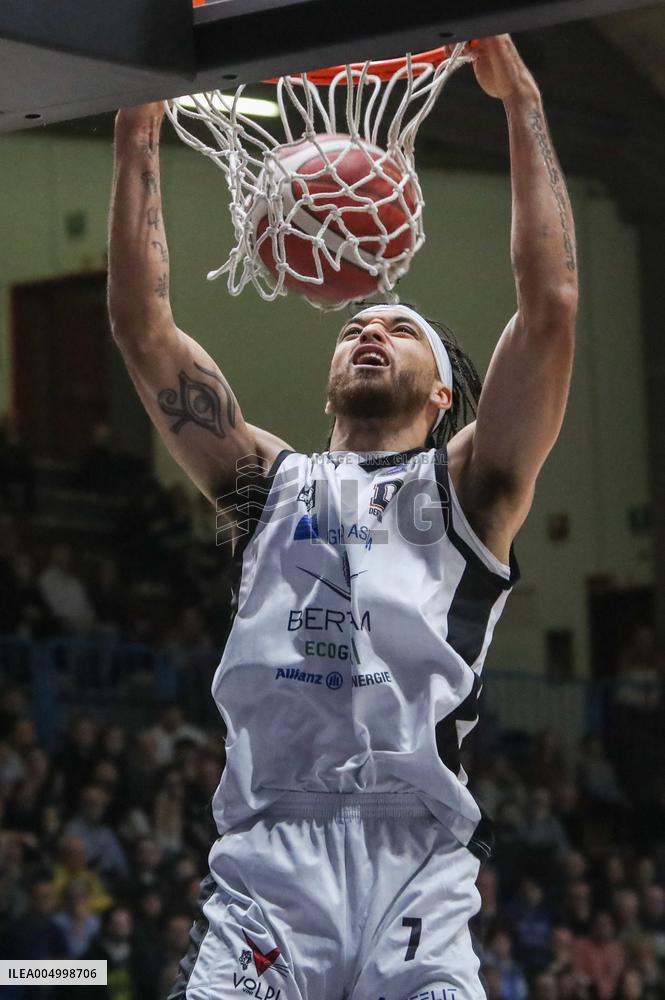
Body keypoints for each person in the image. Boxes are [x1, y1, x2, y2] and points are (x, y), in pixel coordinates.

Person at [109, 34, 577, 1000]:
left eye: (399, 329)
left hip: (416, 859)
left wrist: (522, 103)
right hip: (271, 860)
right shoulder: (261, 480)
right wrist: (136, 129)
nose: (370, 329)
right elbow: (143, 330)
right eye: (357, 325)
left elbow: (550, 309)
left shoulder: (473, 485)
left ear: (442, 395)